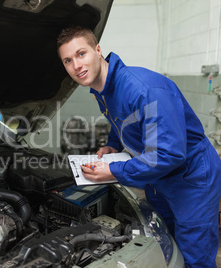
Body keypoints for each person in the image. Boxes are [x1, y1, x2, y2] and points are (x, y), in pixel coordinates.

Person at [57, 26, 221, 268]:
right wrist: (113, 146)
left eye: (81, 54)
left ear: (98, 50)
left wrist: (115, 171)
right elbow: (123, 121)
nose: (76, 66)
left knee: (195, 256)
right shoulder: (105, 89)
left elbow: (169, 153)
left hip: (192, 178)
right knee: (166, 244)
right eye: (68, 60)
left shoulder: (143, 89)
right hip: (159, 178)